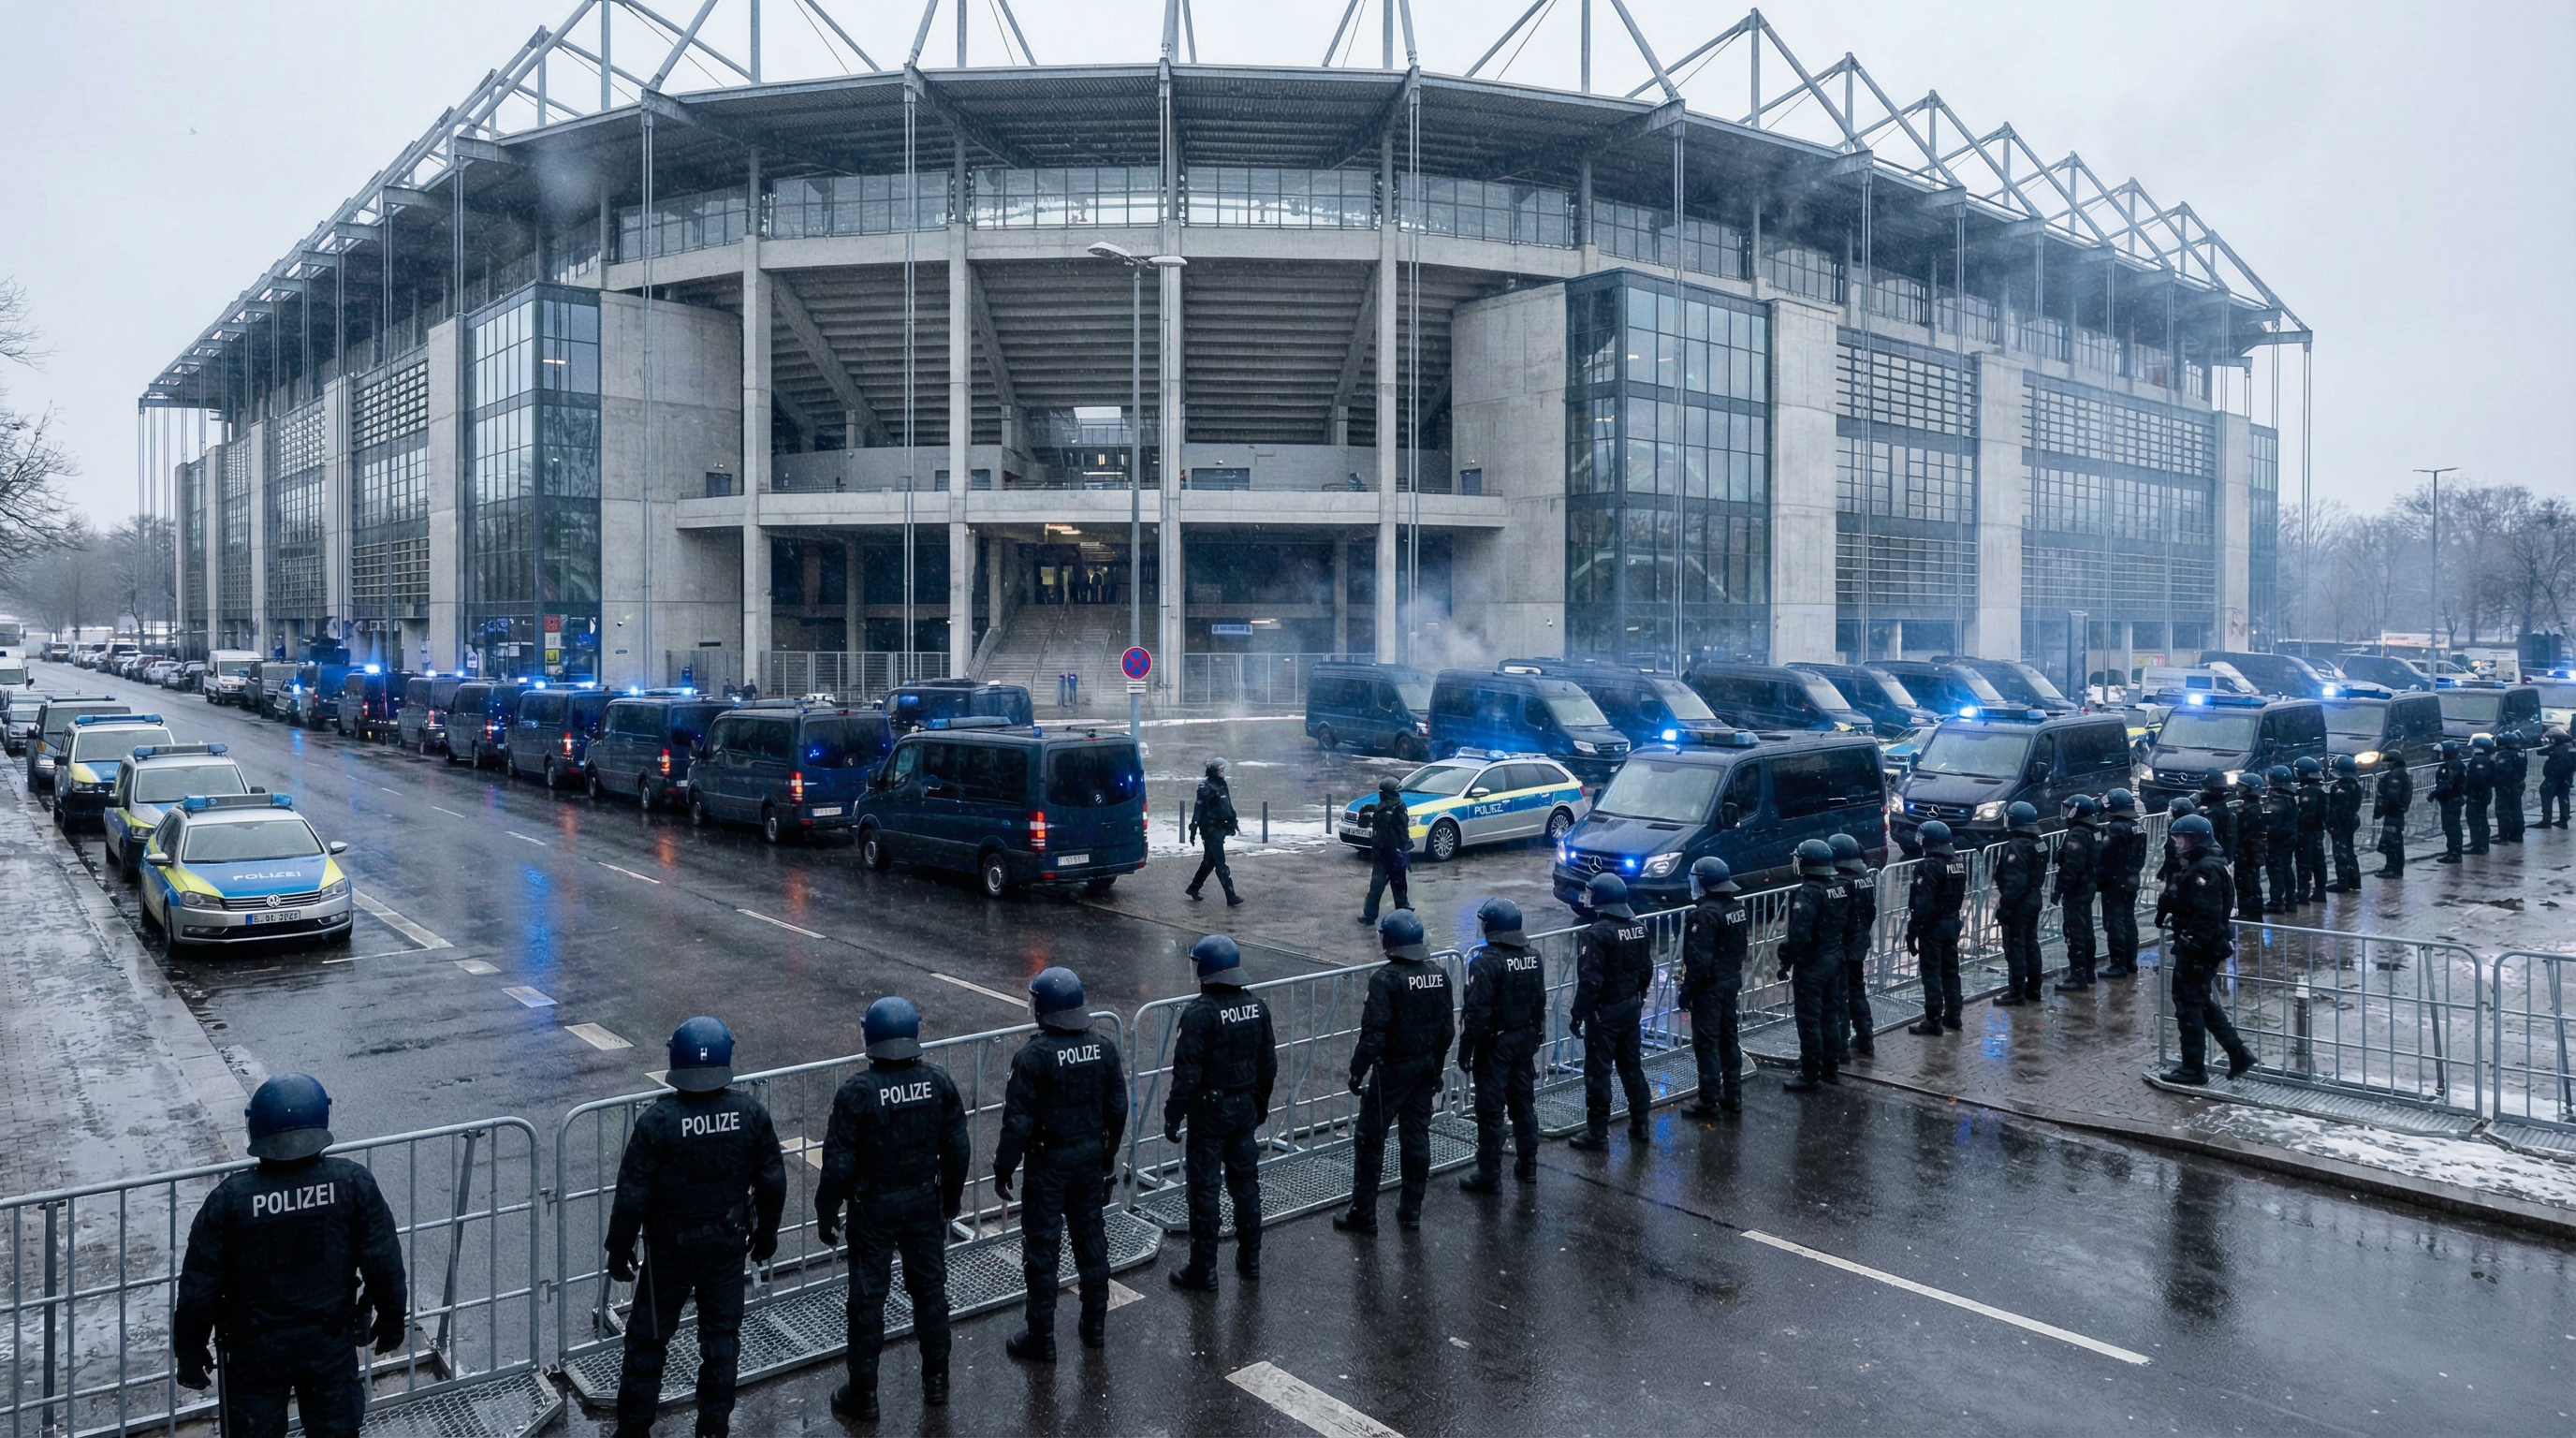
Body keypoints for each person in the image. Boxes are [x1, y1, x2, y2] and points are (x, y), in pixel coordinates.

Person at [172, 1075, 406, 1438]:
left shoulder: (229, 1200)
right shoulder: (352, 1183)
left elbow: (198, 1288)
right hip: (329, 1342)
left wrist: (189, 1351)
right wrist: (392, 1317)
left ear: (255, 1127)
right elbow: (383, 1261)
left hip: (254, 1351)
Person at [603, 1018, 786, 1438]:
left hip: (670, 1250)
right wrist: (768, 1233)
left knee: (648, 1343)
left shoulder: (658, 1120)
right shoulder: (749, 1113)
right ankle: (713, 1427)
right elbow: (772, 1179)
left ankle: (633, 1431)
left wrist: (619, 1248)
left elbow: (633, 1192)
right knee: (721, 1341)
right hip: (726, 1244)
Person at [814, 997, 968, 1422]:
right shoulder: (938, 1082)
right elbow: (957, 1147)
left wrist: (826, 1212)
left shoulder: (858, 1092)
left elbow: (838, 1162)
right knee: (931, 1294)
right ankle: (936, 1382)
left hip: (873, 1209)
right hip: (923, 1202)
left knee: (867, 1303)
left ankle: (863, 1395)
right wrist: (951, 1199)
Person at [995, 967, 1126, 1362]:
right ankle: (1095, 1326)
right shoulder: (1103, 1048)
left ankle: (1042, 1338)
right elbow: (1117, 1109)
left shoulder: (1033, 1057)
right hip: (1088, 1160)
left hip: (1048, 1164)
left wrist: (1004, 1168)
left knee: (1042, 1251)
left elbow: (1017, 1122)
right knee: (1091, 1243)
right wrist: (1106, 1155)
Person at [1164, 935, 1276, 1288]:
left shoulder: (1200, 1013)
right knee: (1246, 1187)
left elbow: (1186, 1075)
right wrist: (1259, 1103)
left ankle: (1204, 1269)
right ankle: (1251, 1260)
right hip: (1244, 1107)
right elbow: (1268, 1064)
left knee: (1205, 1192)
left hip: (1209, 1114)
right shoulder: (1256, 1006)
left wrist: (1172, 1116)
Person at [1335, 911, 1453, 1231]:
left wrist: (1357, 1072)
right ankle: (1411, 1211)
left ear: (1389, 940)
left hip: (1392, 1074)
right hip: (1423, 1069)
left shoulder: (1385, 980)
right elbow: (1447, 1030)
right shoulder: (1439, 974)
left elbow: (1374, 1035)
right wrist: (1436, 1067)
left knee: (1370, 1140)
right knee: (1416, 1139)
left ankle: (1363, 1213)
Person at [2153, 815, 2257, 1086]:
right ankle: (2238, 1054)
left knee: (2188, 1007)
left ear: (2196, 839)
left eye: (2182, 838)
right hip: (2200, 947)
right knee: (2199, 1002)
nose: (2177, 844)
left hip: (2198, 949)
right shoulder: (2201, 865)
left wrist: (2193, 944)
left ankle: (2193, 1068)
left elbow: (2207, 914)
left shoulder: (2205, 870)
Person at [1459, 898, 1549, 1182]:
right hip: (1523, 1039)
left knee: (1490, 1109)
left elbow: (1477, 1012)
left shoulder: (1485, 963)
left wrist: (1466, 1047)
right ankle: (1528, 1165)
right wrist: (1537, 1031)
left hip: (1494, 1045)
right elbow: (1540, 999)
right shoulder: (1533, 956)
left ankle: (1489, 1174)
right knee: (1523, 1104)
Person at [1567, 873, 1656, 1150]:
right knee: (1632, 1068)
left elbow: (1590, 980)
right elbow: (1647, 969)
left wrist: (1578, 1013)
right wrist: (1638, 996)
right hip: (1630, 1007)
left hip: (1604, 1013)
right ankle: (1641, 1124)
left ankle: (1597, 1133)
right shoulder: (1638, 928)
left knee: (1598, 1073)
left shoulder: (1594, 934)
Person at [1677, 859, 1749, 1113]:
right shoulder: (1736, 908)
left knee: (1706, 1044)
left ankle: (1708, 1100)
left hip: (1709, 989)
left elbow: (1698, 961)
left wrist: (1687, 991)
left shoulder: (1705, 915)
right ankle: (1733, 1095)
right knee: (1729, 1039)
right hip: (1729, 982)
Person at [1778, 840, 1842, 1090]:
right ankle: (1831, 1069)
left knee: (1809, 1021)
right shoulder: (1838, 887)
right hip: (1833, 958)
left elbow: (1799, 935)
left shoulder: (1808, 893)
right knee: (1830, 1016)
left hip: (1812, 963)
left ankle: (1810, 1075)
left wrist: (1786, 958)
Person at [1904, 821, 1969, 1034]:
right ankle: (1954, 1014)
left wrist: (1912, 932)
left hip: (1933, 927)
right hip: (1952, 922)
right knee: (1951, 972)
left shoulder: (1928, 866)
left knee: (1931, 973)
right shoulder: (1957, 862)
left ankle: (1933, 1020)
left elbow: (1923, 903)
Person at [1993, 803, 2048, 1005]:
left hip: (2019, 904)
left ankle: (2016, 993)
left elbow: (2015, 882)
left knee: (2015, 948)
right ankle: (2034, 989)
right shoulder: (2039, 842)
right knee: (2031, 945)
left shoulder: (2017, 846)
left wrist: (2005, 907)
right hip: (2033, 898)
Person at [1829, 833, 1878, 1060]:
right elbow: (1870, 912)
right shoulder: (1864, 878)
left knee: (1839, 996)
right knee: (1857, 991)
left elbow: (1836, 919)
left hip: (1842, 946)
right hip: (1858, 943)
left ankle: (1840, 1047)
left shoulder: (1840, 883)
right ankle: (1865, 1037)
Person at [2096, 789, 2146, 976]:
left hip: (2115, 881)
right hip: (2131, 878)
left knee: (2115, 922)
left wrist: (2096, 833)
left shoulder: (2116, 828)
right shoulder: (2137, 826)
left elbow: (2101, 848)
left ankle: (2118, 965)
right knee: (2129, 921)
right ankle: (2131, 962)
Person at [2054, 796, 2101, 991]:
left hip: (2076, 890)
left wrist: (2060, 890)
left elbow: (2071, 866)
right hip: (2087, 887)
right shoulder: (2093, 831)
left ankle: (2078, 976)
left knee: (2075, 933)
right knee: (2086, 930)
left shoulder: (2077, 834)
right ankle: (2089, 972)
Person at [1185, 757, 1243, 905]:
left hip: (1220, 827)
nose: (1223, 772)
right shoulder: (1205, 787)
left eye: (1224, 768)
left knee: (1209, 861)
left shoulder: (1222, 784)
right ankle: (1231, 896)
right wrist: (1193, 829)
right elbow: (1198, 809)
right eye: (1220, 769)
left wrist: (1233, 820)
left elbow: (1227, 805)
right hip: (1210, 830)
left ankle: (1194, 888)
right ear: (1214, 770)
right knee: (1220, 864)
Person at [1356, 777, 1411, 923]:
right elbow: (1365, 825)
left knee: (1399, 887)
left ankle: (1404, 916)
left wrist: (1401, 851)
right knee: (1376, 886)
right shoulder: (1380, 807)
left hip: (1395, 855)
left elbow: (1403, 833)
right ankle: (1369, 915)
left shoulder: (1398, 807)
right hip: (1381, 855)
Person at [2324, 756, 2364, 891]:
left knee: (2340, 853)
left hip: (2341, 824)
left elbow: (2338, 809)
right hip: (2350, 821)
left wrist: (2331, 824)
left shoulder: (2341, 787)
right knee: (2349, 851)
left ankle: (2343, 883)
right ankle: (2354, 881)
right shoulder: (2355, 785)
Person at [2292, 757, 2329, 903]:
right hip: (2317, 831)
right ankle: (2320, 891)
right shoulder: (2319, 791)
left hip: (2306, 832)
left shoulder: (2308, 792)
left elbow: (2307, 816)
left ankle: (2303, 893)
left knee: (2304, 862)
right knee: (2319, 862)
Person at [2231, 776, 2268, 918]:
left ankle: (2248, 912)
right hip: (2251, 851)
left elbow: (2243, 830)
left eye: (2241, 786)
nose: (2238, 788)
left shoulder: (2250, 809)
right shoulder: (2252, 806)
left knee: (2246, 882)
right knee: (2251, 880)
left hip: (2247, 852)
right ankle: (2253, 910)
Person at [2262, 765, 2299, 912]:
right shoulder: (2289, 797)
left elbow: (2273, 821)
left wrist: (2267, 835)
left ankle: (2276, 901)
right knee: (2286, 869)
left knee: (2276, 871)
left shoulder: (2277, 798)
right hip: (2288, 838)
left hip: (2278, 840)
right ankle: (2290, 900)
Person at [2373, 750, 2415, 876]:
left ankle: (2392, 868)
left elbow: (2392, 797)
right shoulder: (2402, 773)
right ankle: (2396, 867)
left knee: (2391, 840)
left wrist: (2380, 810)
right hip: (2396, 813)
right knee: (2396, 839)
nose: (2385, 765)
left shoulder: (2395, 776)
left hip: (2393, 813)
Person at [2433, 740, 2467, 862]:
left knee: (2452, 827)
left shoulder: (2453, 765)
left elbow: (2449, 783)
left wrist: (2434, 793)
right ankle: (2452, 851)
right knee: (2450, 826)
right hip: (2450, 799)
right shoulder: (2453, 764)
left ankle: (2455, 853)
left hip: (2451, 800)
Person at [2463, 736, 2496, 855]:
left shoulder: (2478, 760)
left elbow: (2479, 778)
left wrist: (2473, 793)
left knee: (2476, 819)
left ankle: (2479, 845)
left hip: (2478, 795)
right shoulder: (2488, 760)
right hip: (2484, 793)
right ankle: (2480, 844)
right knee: (2481, 818)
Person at [2495, 736, 2528, 844]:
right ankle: (2518, 834)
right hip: (2518, 784)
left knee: (2503, 811)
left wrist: (2496, 781)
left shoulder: (2505, 754)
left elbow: (2504, 771)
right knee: (2516, 810)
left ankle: (2503, 836)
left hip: (2506, 787)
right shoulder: (2521, 752)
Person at [2539, 727, 2575, 829]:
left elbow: (2541, 752)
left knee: (2546, 794)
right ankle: (2564, 820)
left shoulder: (2559, 749)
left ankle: (2546, 820)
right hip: (2566, 778)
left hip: (2554, 777)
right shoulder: (2570, 747)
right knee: (2563, 797)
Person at [2158, 797, 2195, 886]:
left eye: (2171, 810)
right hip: (2176, 868)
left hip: (2179, 870)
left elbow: (2172, 851)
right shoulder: (2176, 826)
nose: (2169, 813)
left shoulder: (2180, 829)